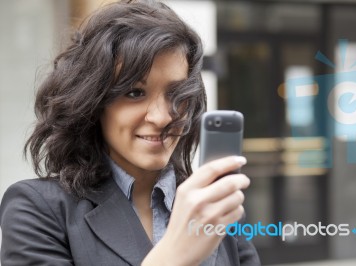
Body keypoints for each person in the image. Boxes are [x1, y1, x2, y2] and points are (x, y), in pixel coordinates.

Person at [0, 0, 261, 265]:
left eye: (176, 94)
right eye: (135, 93)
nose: (161, 117)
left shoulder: (212, 206)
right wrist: (174, 255)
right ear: (93, 102)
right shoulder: (37, 209)